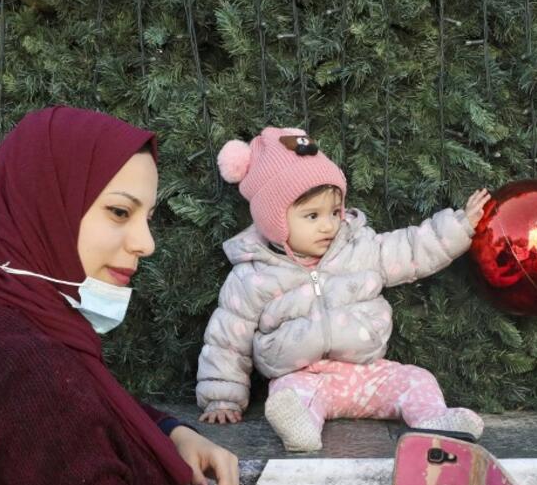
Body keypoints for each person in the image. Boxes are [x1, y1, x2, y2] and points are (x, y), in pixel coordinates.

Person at [0, 107, 472, 485]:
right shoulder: (26, 371)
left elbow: (50, 420)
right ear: (44, 200)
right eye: (117, 212)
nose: (147, 242)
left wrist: (160, 429)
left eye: (147, 215)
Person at [195, 127, 490, 452]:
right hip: (304, 377)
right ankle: (302, 430)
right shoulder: (253, 275)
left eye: (334, 212)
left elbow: (409, 250)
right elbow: (227, 339)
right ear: (274, 219)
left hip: (367, 374)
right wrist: (222, 398)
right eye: (312, 215)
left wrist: (460, 225)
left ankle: (434, 419)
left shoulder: (357, 247)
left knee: (416, 380)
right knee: (289, 398)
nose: (328, 224)